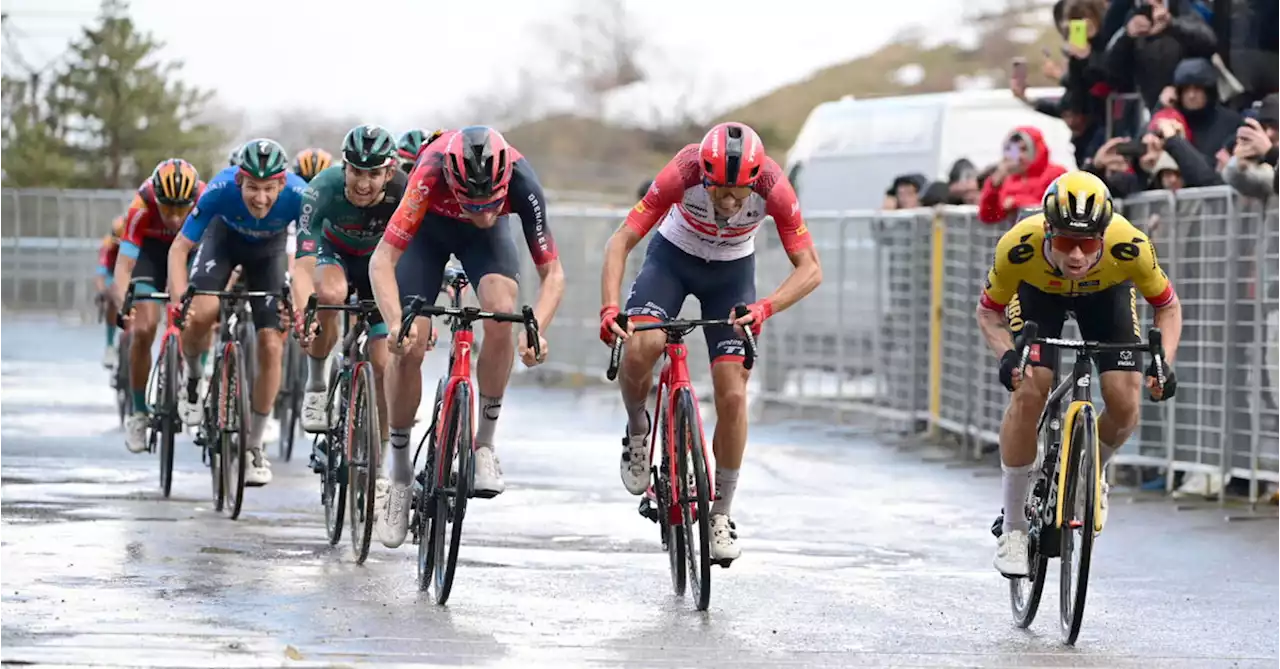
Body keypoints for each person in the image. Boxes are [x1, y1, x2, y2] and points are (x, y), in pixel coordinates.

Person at [598, 121, 822, 564]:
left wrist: (766, 307)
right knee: (643, 346)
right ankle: (638, 429)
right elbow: (621, 240)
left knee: (734, 395)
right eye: (720, 191)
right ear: (704, 175)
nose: (730, 203)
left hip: (732, 274)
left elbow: (810, 268)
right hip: (672, 260)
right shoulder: (681, 171)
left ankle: (721, 512)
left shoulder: (774, 186)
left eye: (740, 194)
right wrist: (609, 308)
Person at [974, 171, 1183, 577]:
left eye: (1088, 244)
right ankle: (1015, 530)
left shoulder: (1130, 244)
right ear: (1047, 230)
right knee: (1031, 386)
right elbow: (988, 312)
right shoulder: (1018, 244)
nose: (1076, 256)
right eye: (1066, 242)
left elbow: (1168, 307)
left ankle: (1091, 471)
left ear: (1103, 237)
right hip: (1038, 296)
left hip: (1107, 297)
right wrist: (1006, 356)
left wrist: (1164, 362)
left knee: (1124, 403)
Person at [369, 125, 564, 548]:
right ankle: (398, 474)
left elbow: (553, 274)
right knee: (411, 343)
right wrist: (394, 322)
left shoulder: (521, 178)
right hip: (429, 235)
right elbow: (382, 260)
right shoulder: (430, 172)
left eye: (492, 203)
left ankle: (484, 446)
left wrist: (537, 331)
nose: (481, 213)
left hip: (485, 247)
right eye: (471, 203)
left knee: (502, 312)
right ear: (453, 183)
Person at [166, 138, 307, 486]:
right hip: (223, 243)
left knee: (272, 344)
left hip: (270, 254)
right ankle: (195, 379)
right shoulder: (219, 189)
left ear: (282, 184)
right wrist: (180, 297)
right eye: (253, 188)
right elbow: (179, 247)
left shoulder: (300, 196)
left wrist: (301, 304)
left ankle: (254, 445)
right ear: (239, 181)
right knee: (202, 313)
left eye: (269, 189)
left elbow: (306, 258)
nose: (261, 198)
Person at [291, 124, 403, 472]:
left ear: (390, 170)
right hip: (333, 253)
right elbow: (302, 265)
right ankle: (317, 381)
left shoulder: (405, 191)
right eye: (355, 171)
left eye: (373, 173)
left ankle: (380, 461)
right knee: (330, 294)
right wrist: (303, 312)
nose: (363, 183)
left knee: (384, 363)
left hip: (378, 264)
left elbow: (419, 255)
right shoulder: (321, 188)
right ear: (344, 166)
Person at [113, 158, 206, 453]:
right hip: (150, 256)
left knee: (201, 316)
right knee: (143, 329)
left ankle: (194, 380)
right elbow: (124, 266)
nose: (176, 218)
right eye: (168, 209)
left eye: (182, 209)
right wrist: (122, 303)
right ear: (157, 199)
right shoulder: (140, 206)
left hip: (191, 252)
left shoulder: (205, 199)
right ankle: (139, 413)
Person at [96, 216, 126, 368]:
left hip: (130, 272)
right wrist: (102, 291)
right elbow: (101, 273)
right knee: (112, 297)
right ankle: (109, 345)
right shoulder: (107, 245)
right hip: (111, 273)